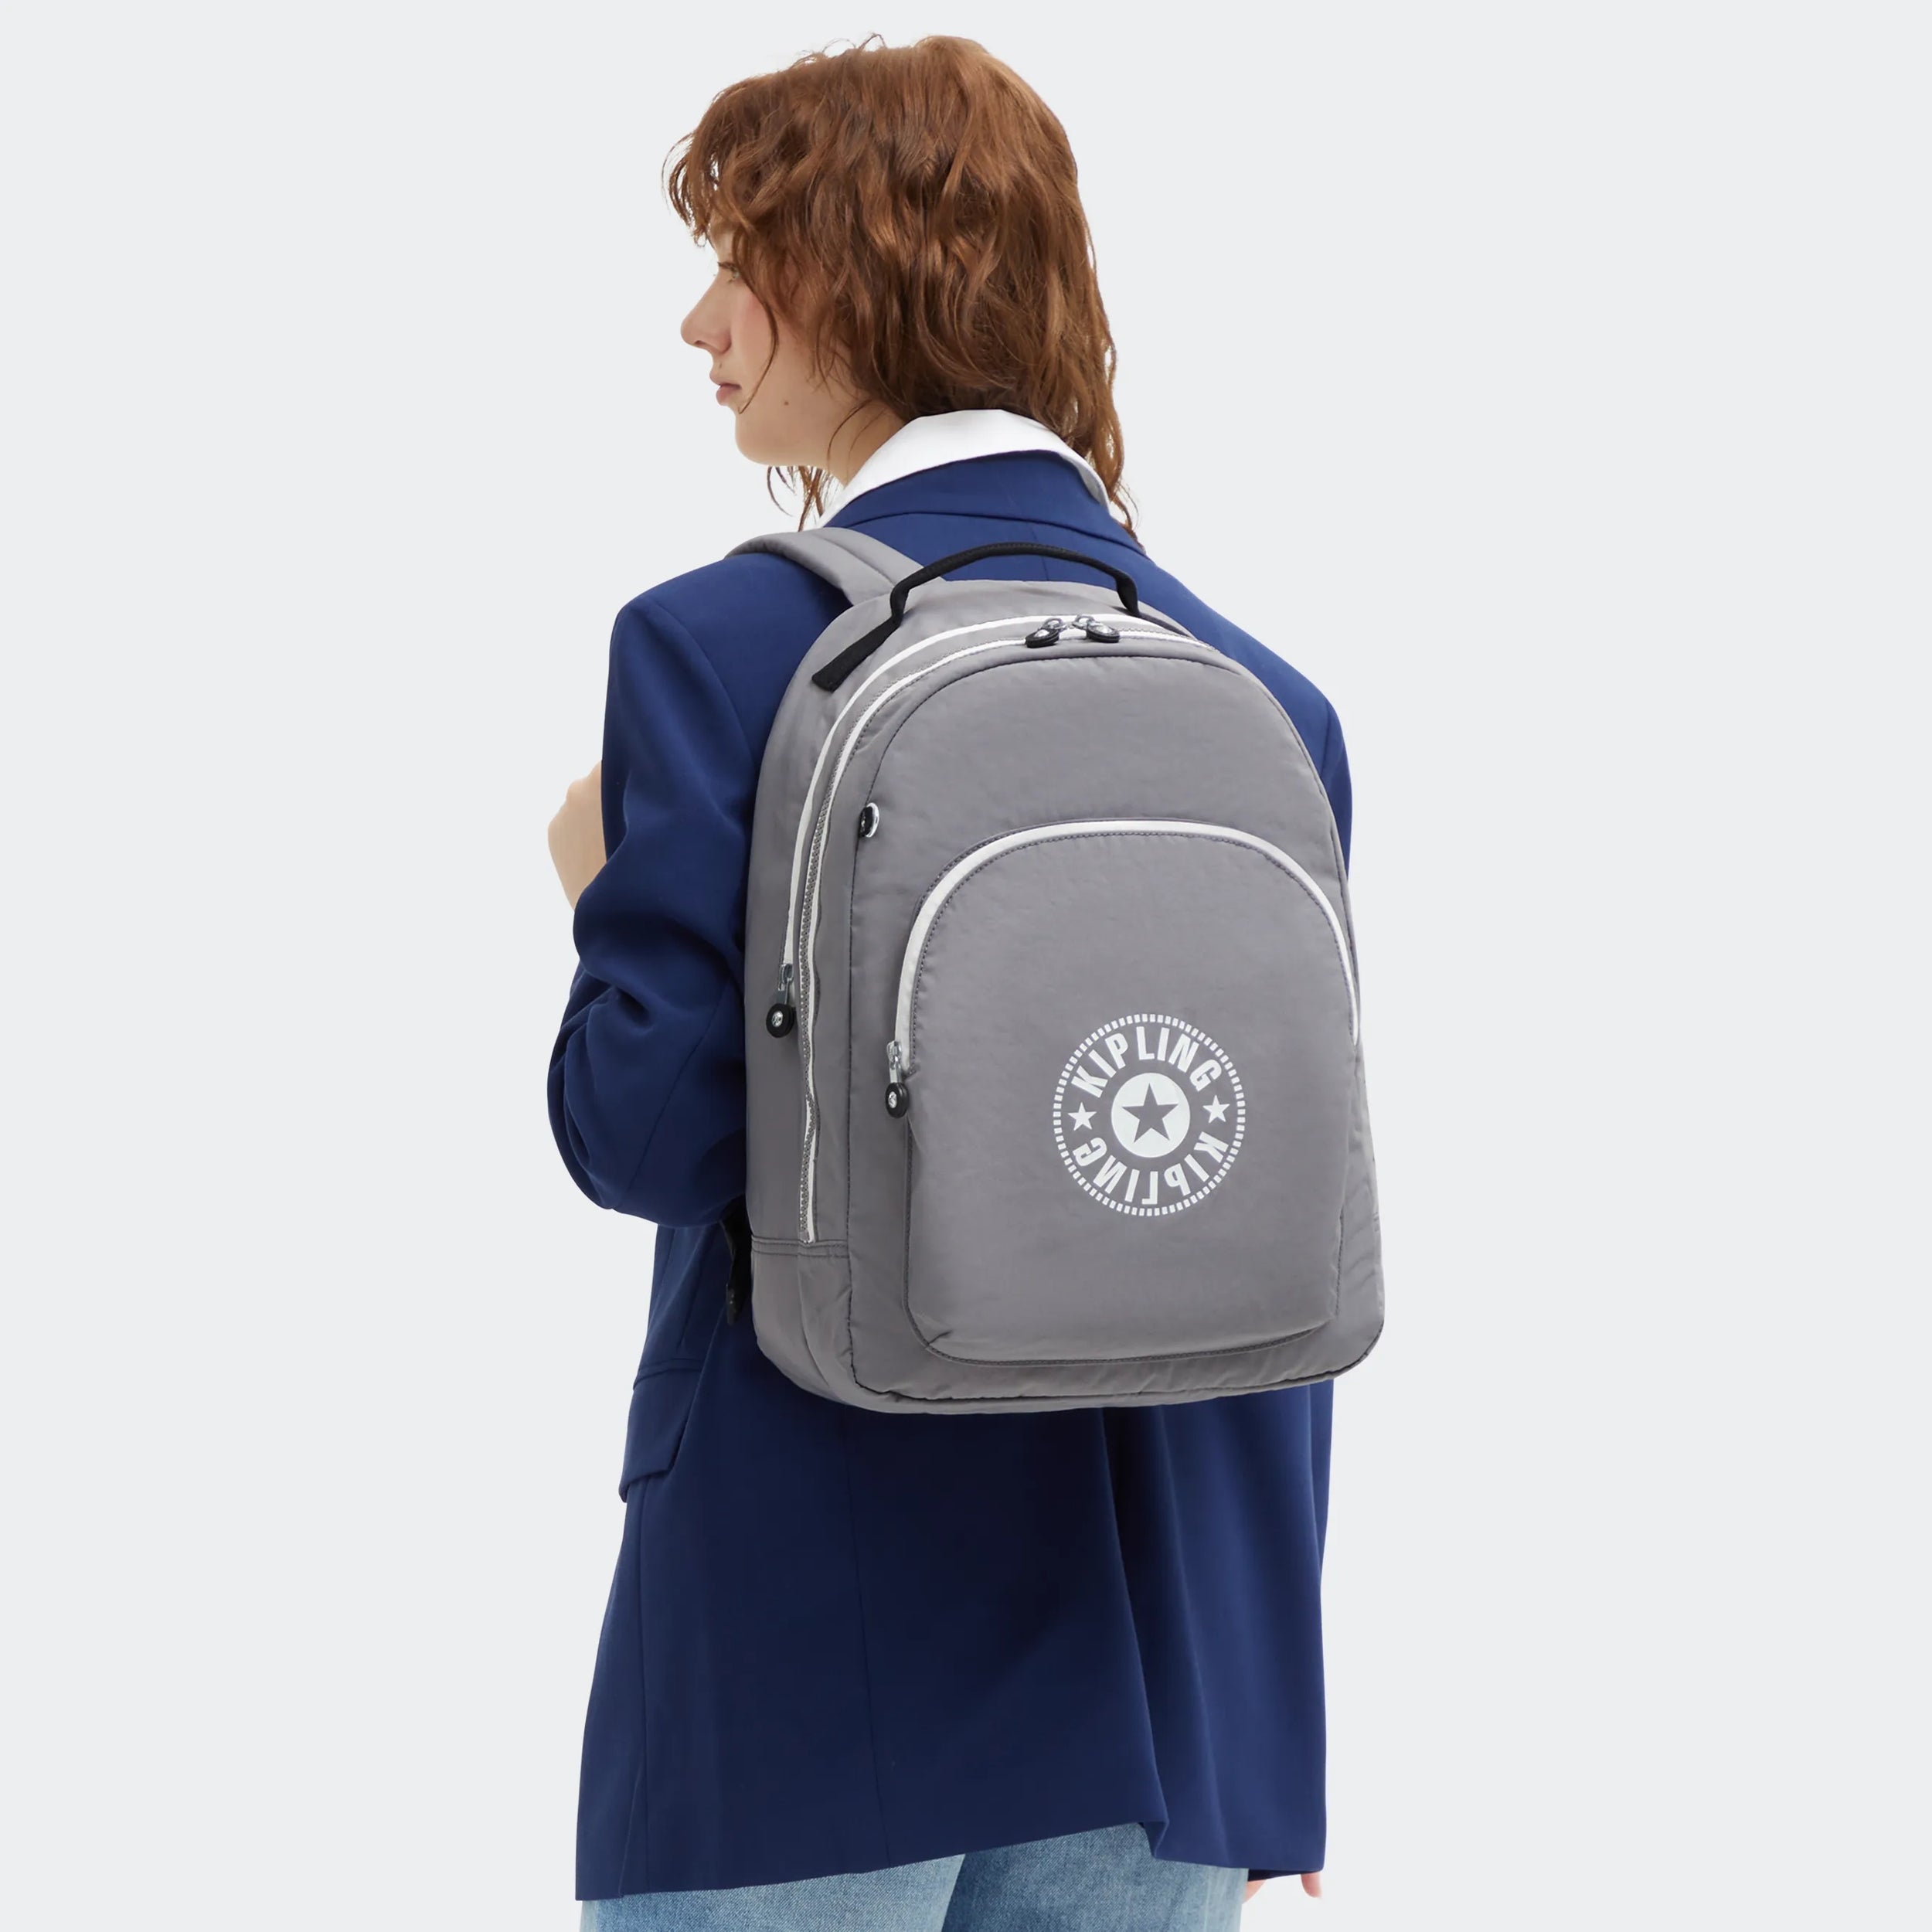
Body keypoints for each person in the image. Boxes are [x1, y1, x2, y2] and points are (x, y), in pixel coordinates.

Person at [547, 36, 1348, 1930]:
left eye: (738, 260)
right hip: (1173, 1694)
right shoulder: (1262, 696)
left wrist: (595, 882)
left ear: (856, 276)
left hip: (808, 1667)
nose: (698, 322)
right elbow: (1263, 1208)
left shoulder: (720, 648)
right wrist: (1269, 1734)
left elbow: (642, 1136)